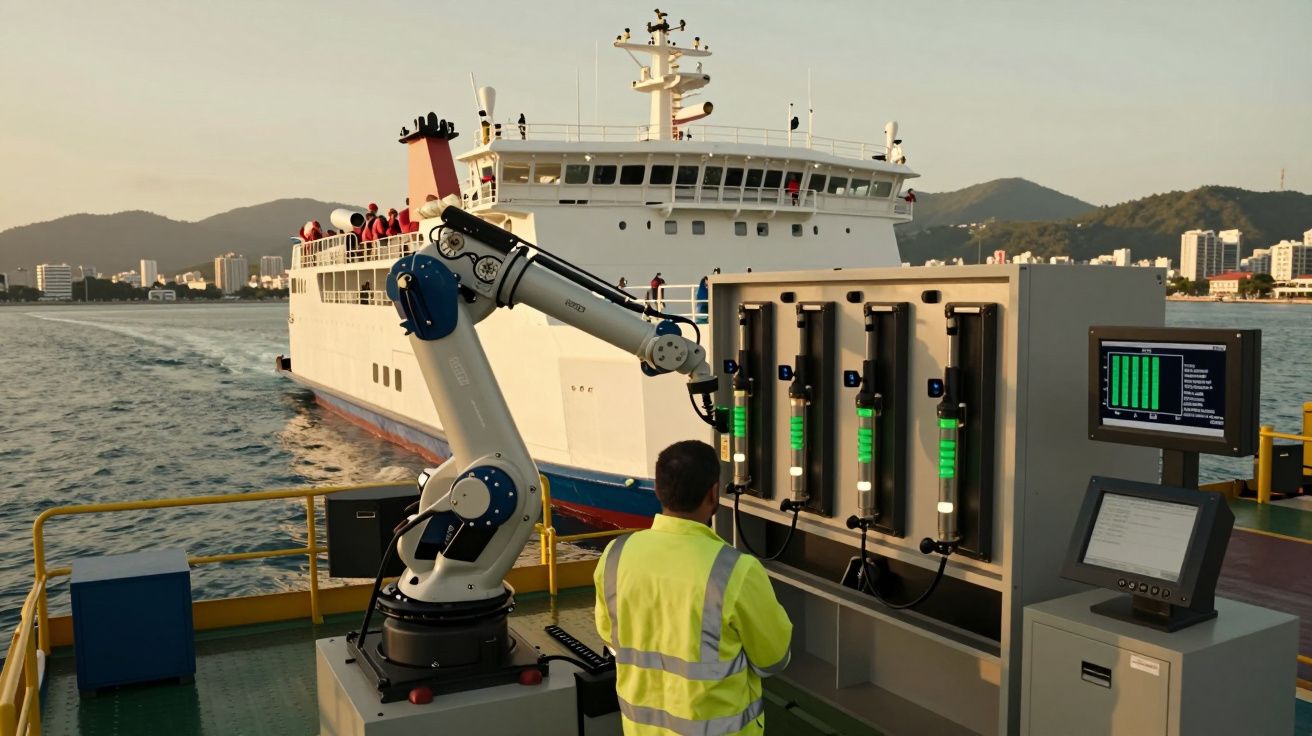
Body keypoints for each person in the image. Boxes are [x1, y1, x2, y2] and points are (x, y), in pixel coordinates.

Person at [595, 440, 792, 736]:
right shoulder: (736, 571)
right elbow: (773, 660)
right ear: (713, 493)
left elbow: (611, 640)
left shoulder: (615, 556)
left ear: (658, 490)